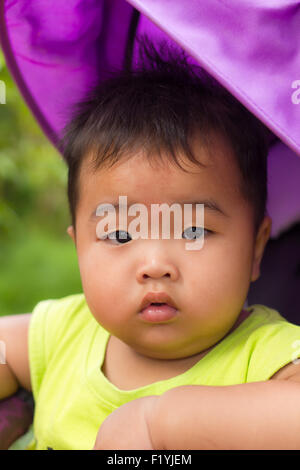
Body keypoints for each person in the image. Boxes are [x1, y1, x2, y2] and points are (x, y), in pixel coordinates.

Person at [1, 37, 300, 450]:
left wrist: (163, 423)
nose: (156, 264)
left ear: (255, 248)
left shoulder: (266, 356)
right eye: (121, 234)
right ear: (79, 248)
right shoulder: (65, 334)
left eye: (193, 231)